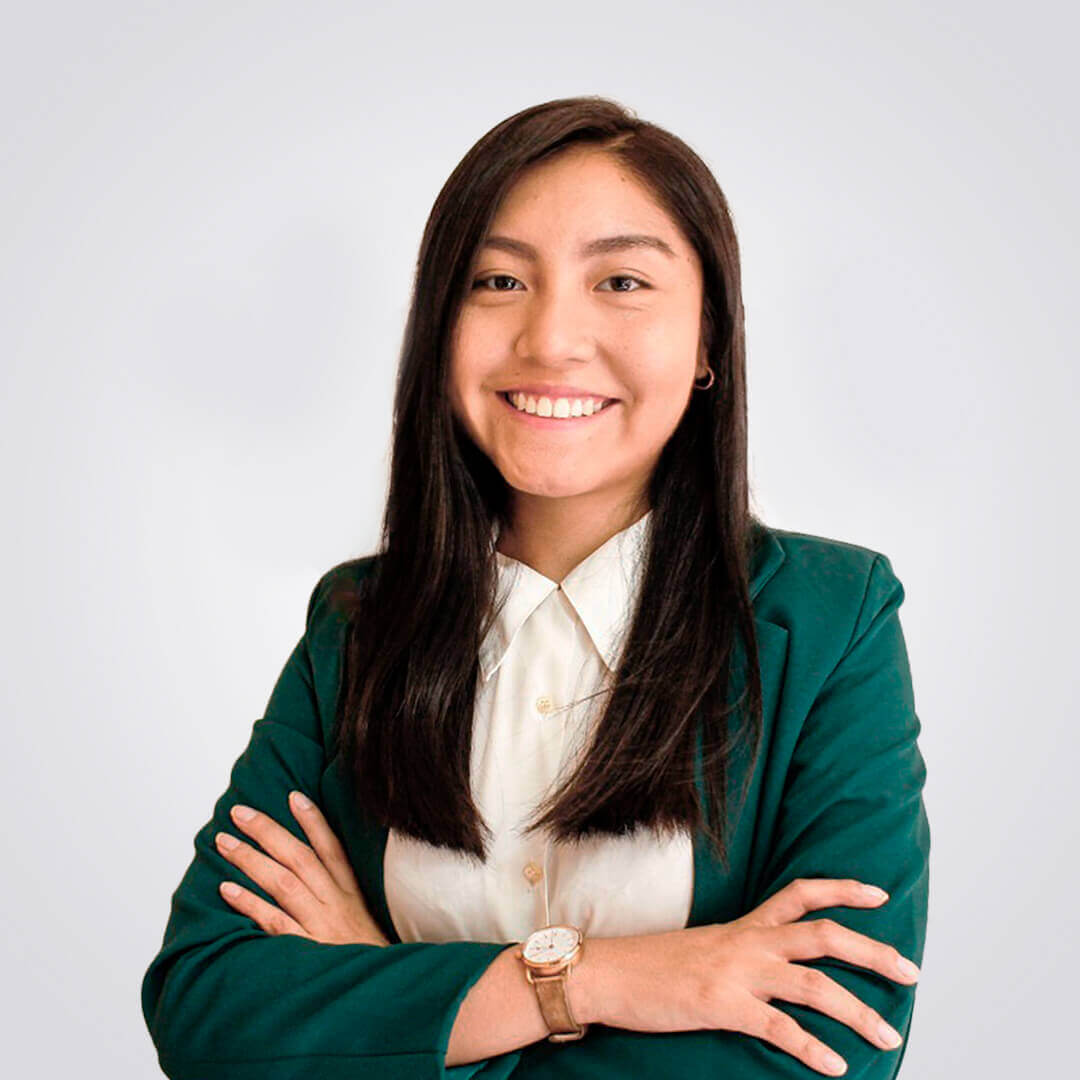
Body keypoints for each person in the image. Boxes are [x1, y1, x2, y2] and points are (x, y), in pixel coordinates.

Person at [140, 96, 930, 1080]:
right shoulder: (357, 623)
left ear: (708, 344)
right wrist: (590, 980)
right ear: (441, 323)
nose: (551, 338)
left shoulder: (828, 619)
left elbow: (830, 1047)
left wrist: (390, 995)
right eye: (499, 279)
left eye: (623, 280)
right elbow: (209, 1011)